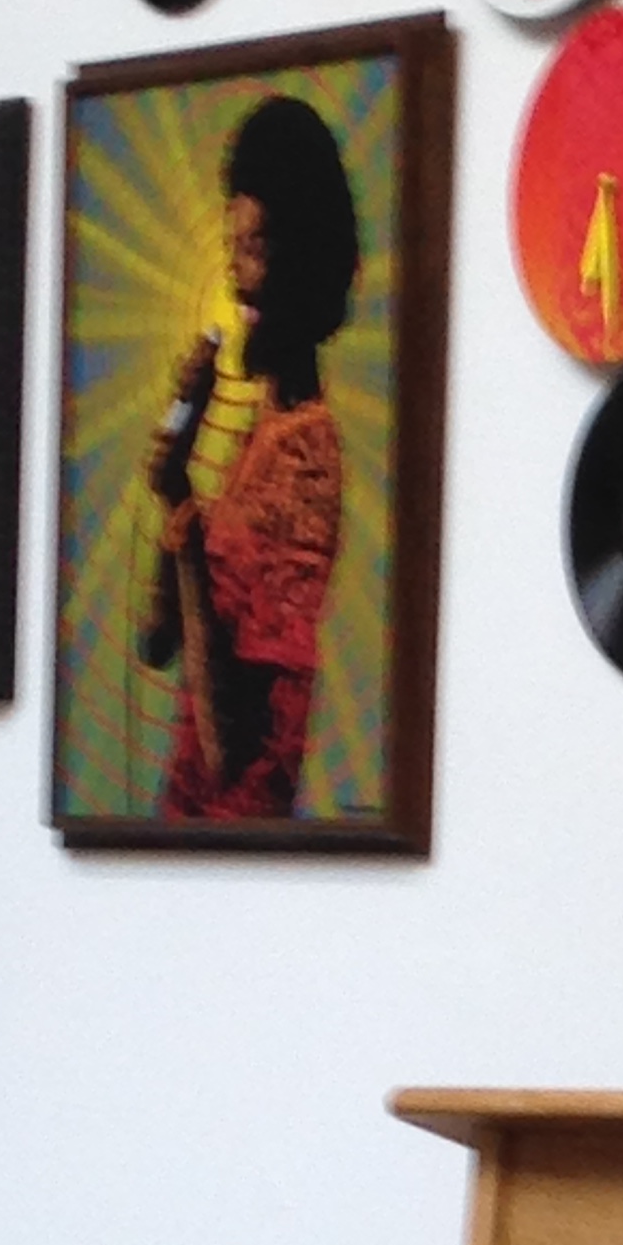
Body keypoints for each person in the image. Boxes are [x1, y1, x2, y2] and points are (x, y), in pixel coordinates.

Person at [143, 93, 358, 824]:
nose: (237, 280)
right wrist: (176, 481)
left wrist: (186, 533)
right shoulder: (262, 434)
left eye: (256, 250)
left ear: (302, 259)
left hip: (235, 829)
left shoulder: (307, 456)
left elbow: (227, 743)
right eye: (232, 249)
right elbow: (157, 641)